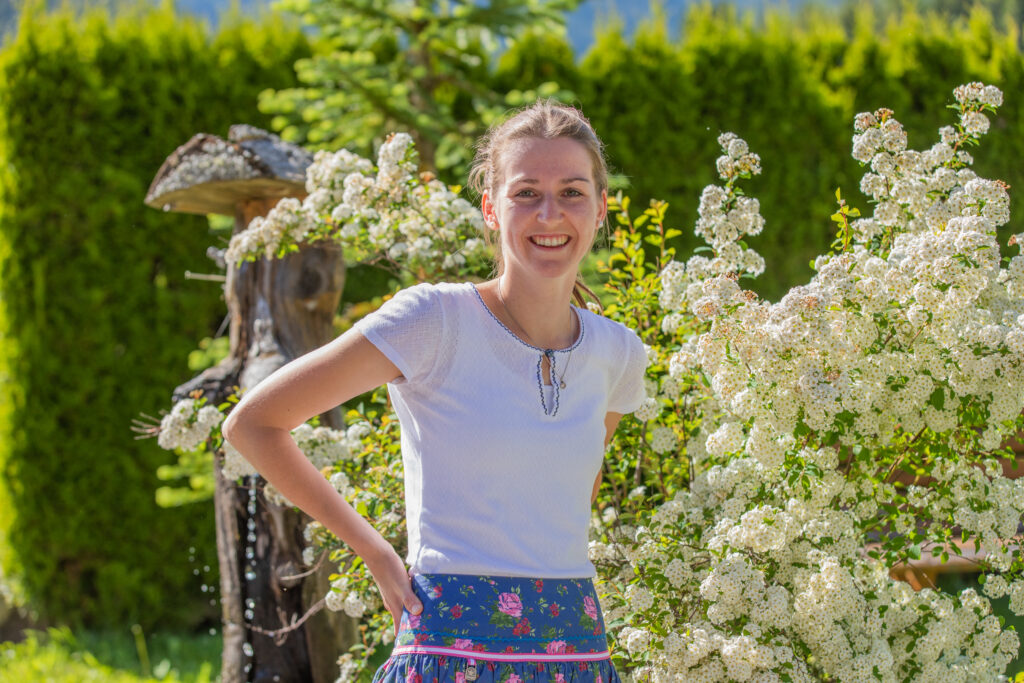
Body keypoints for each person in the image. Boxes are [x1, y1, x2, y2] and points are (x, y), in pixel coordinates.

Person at [222, 101, 648, 683]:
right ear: (491, 209)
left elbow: (570, 504)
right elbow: (253, 425)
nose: (550, 213)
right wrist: (374, 550)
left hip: (577, 656)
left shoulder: (620, 354)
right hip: (448, 654)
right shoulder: (433, 321)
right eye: (526, 193)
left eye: (572, 192)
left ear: (600, 210)